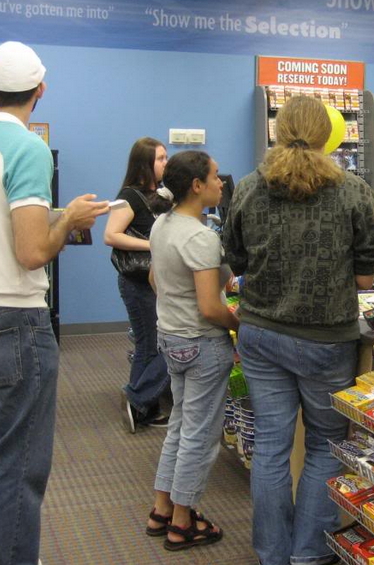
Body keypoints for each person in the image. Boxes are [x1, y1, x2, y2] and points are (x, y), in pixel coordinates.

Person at [0, 41, 109, 565]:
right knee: (17, 465)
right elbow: (33, 252)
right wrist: (68, 222)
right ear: (41, 91)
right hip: (13, 321)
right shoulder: (28, 148)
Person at [223, 95, 374, 565]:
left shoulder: (250, 188)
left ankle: (272, 554)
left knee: (271, 448)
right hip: (325, 340)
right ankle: (309, 554)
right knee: (324, 446)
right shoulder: (354, 190)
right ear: (328, 135)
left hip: (260, 333)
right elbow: (364, 275)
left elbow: (236, 261)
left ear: (277, 129)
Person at [143, 150, 238, 552]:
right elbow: (211, 307)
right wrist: (241, 326)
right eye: (215, 177)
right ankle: (183, 521)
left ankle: (162, 507)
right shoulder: (200, 237)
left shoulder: (162, 224)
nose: (221, 183)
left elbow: (154, 280)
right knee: (200, 436)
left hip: (171, 338)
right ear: (197, 186)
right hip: (201, 344)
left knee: (180, 427)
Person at [103, 137, 171, 433]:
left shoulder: (161, 194)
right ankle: (137, 397)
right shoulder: (127, 196)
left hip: (156, 281)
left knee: (149, 345)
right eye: (160, 158)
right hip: (137, 281)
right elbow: (111, 235)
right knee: (155, 345)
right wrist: (150, 243)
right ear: (145, 163)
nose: (165, 163)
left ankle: (145, 407)